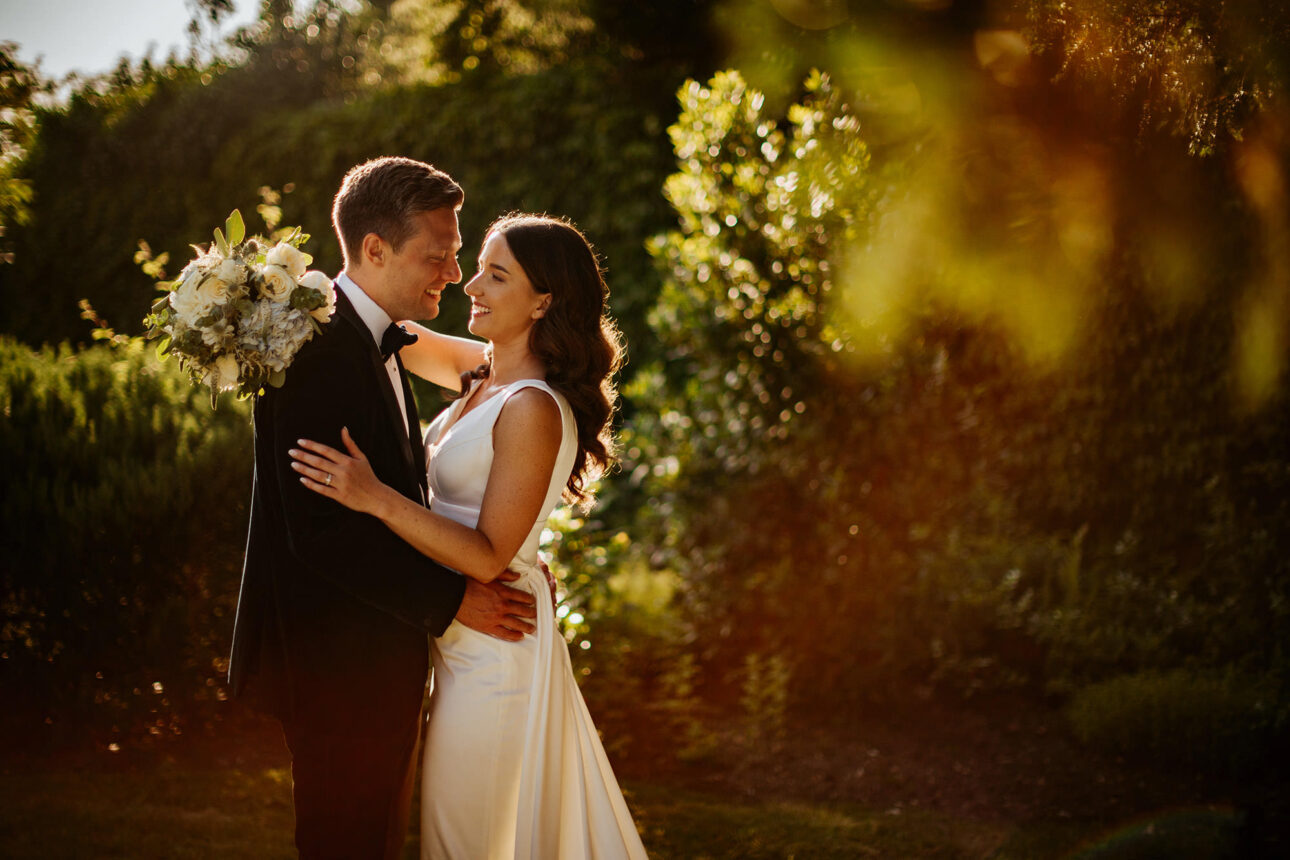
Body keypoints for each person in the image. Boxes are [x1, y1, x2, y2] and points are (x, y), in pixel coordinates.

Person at [288, 213, 648, 858]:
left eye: (496, 274)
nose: (470, 284)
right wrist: (265, 291)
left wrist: (375, 498)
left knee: (467, 841)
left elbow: (487, 556)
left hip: (495, 659)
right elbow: (377, 318)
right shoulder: (481, 374)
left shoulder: (532, 407)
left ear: (545, 301)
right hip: (454, 643)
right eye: (477, 265)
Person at [228, 157, 542, 860]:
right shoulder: (314, 347)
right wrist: (451, 600)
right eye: (439, 255)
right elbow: (321, 532)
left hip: (373, 654)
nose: (454, 274)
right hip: (339, 662)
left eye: (458, 255)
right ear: (375, 249)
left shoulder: (375, 335)